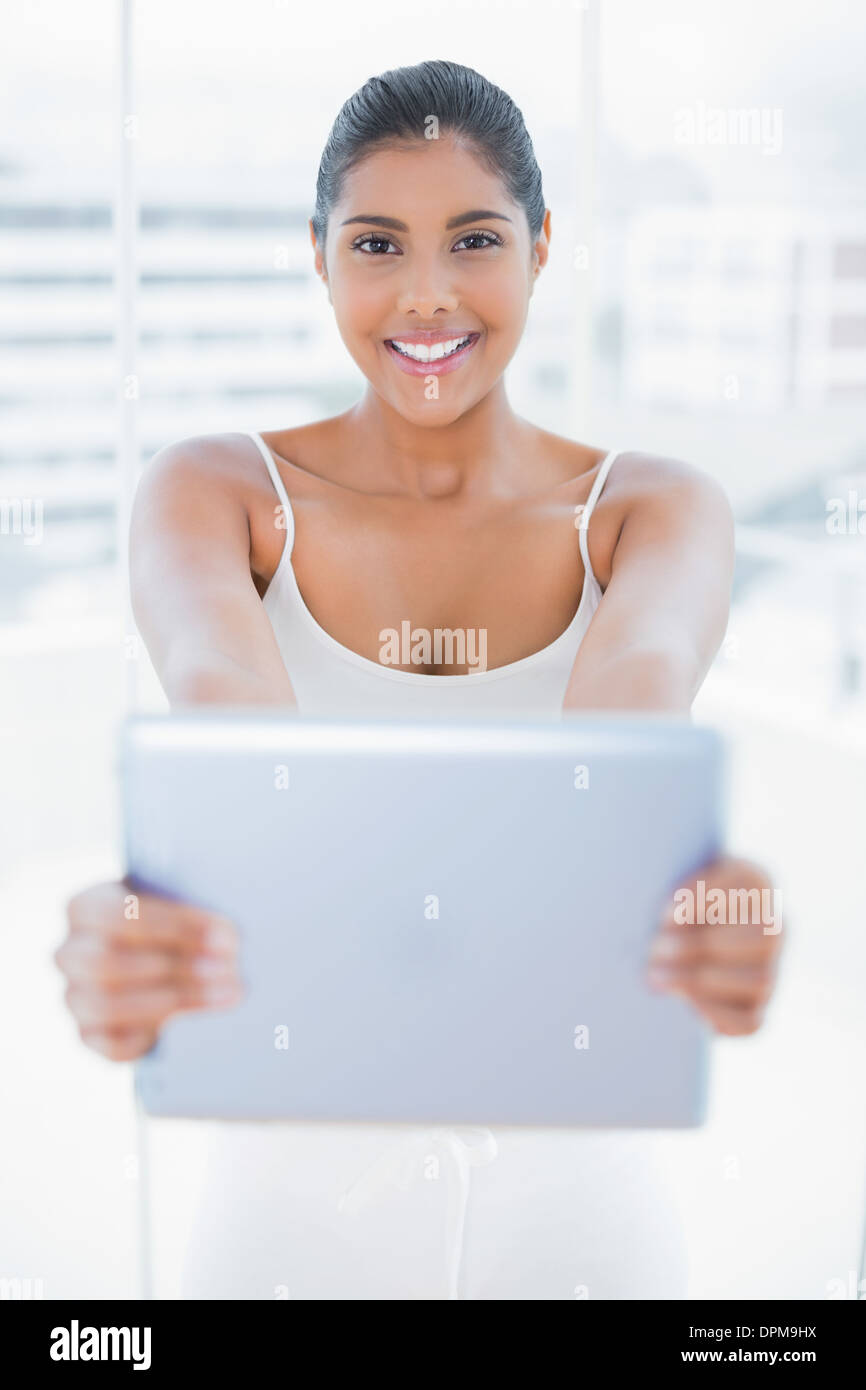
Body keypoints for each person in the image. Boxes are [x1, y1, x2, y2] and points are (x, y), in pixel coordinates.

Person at [54, 60, 783, 1299]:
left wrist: (692, 906)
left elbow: (619, 764)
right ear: (319, 253)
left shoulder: (652, 508)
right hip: (287, 1204)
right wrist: (144, 936)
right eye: (379, 241)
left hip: (581, 1200)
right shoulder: (215, 492)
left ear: (543, 248)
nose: (427, 293)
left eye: (476, 239)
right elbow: (234, 765)